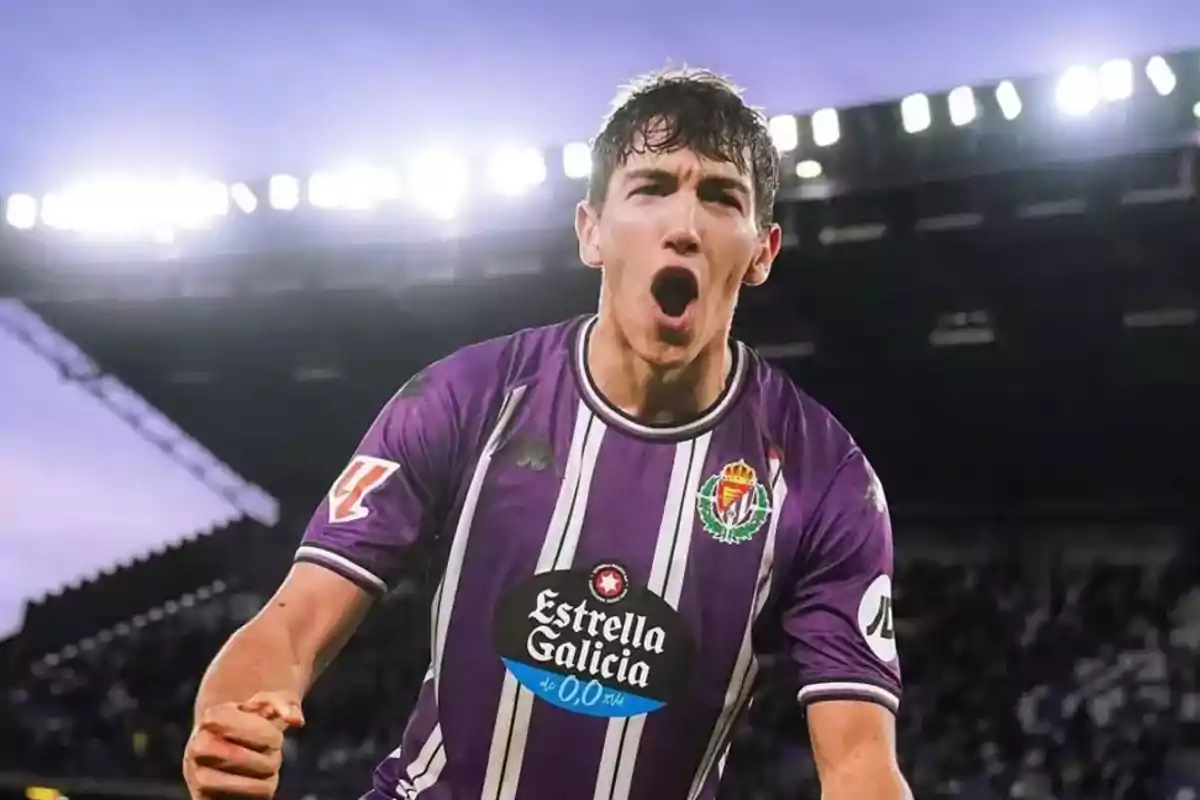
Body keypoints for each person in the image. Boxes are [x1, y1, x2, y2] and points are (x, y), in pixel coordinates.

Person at [183, 67, 911, 800]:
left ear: (762, 252)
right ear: (591, 231)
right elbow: (289, 624)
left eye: (721, 198)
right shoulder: (466, 397)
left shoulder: (826, 479)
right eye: (651, 188)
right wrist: (230, 721)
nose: (684, 228)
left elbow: (860, 766)